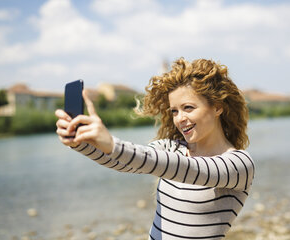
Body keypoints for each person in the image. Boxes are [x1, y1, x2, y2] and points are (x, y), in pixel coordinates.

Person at [55, 58, 255, 240]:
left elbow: (185, 168)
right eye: (174, 111)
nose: (179, 119)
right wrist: (80, 143)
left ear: (217, 107)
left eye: (188, 108)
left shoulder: (239, 164)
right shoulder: (171, 147)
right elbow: (127, 162)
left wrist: (112, 143)